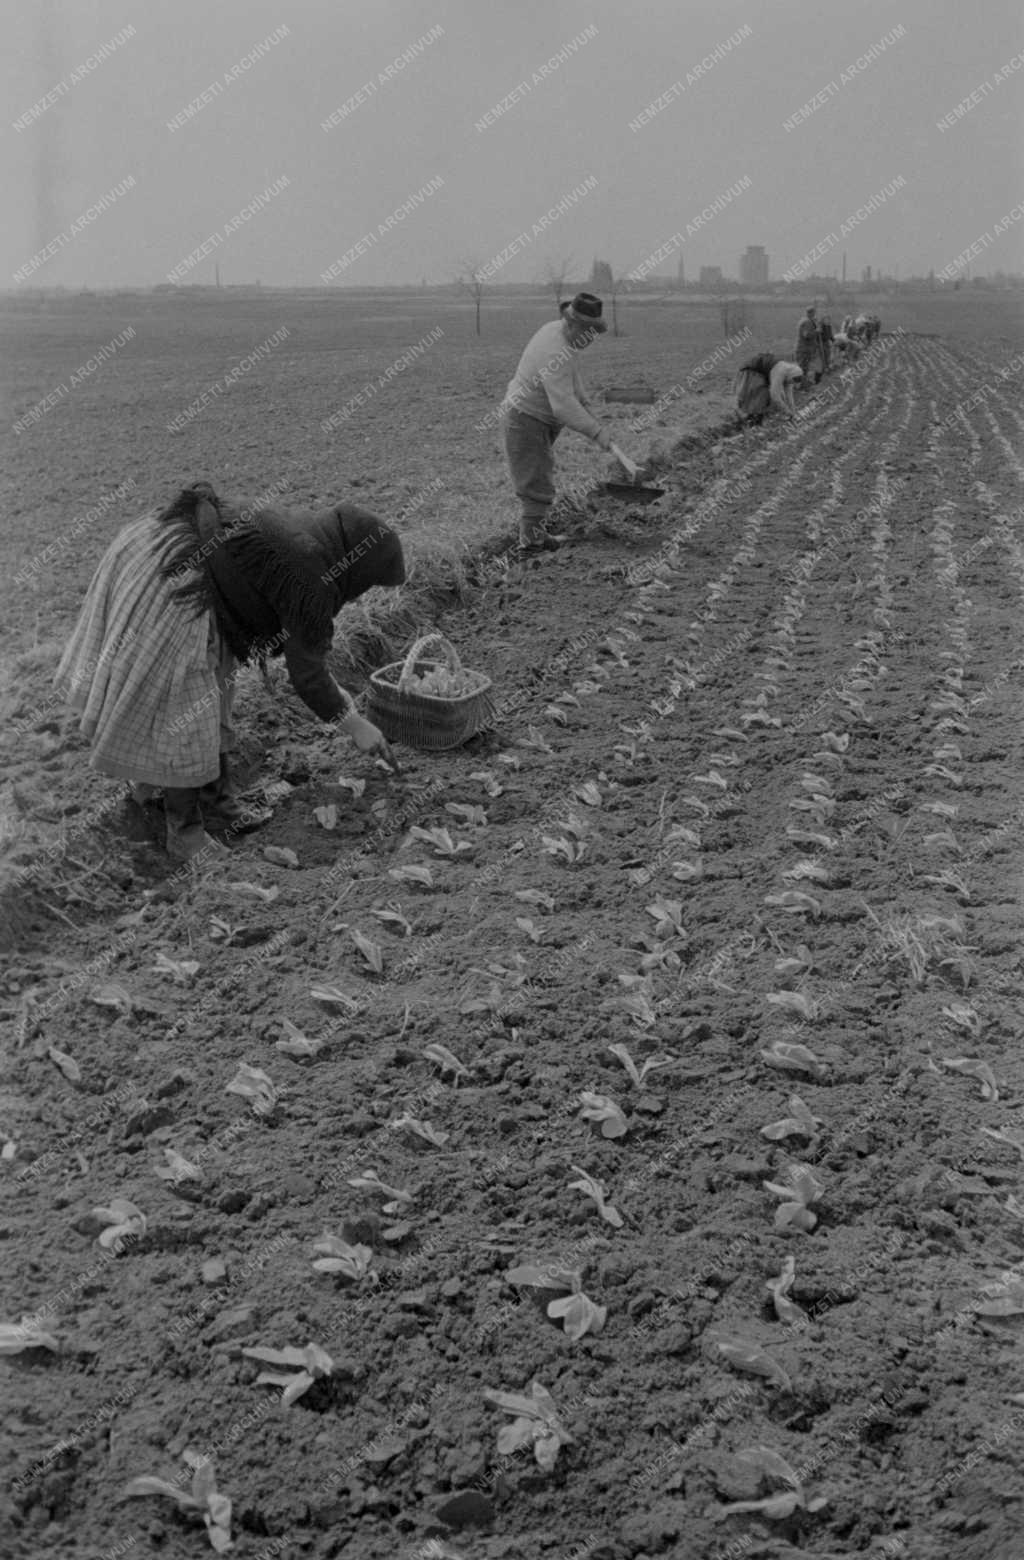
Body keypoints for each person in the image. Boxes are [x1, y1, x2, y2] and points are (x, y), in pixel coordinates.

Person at [55, 482, 405, 863]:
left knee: (214, 696)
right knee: (184, 717)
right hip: (175, 580)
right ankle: (185, 835)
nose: (359, 594)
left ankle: (217, 807)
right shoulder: (311, 579)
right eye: (367, 584)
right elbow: (309, 677)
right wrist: (357, 727)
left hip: (155, 545)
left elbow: (306, 659)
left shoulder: (308, 536)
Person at [501, 291, 614, 554]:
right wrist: (598, 433)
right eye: (588, 331)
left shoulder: (562, 335)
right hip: (525, 418)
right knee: (536, 483)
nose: (591, 338)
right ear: (571, 323)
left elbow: (571, 371)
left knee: (541, 474)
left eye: (595, 332)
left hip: (538, 419)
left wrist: (584, 400)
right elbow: (562, 405)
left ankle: (537, 537)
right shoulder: (554, 348)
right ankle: (530, 546)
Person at [733, 353, 803, 423]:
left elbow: (789, 396)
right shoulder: (780, 371)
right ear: (791, 377)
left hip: (761, 374)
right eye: (792, 381)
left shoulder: (792, 374)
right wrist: (787, 412)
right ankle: (745, 419)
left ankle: (755, 419)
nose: (791, 383)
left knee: (764, 396)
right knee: (761, 394)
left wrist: (793, 411)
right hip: (751, 371)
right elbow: (775, 396)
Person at [794, 304, 823, 386]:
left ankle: (803, 384)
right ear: (812, 313)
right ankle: (800, 385)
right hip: (803, 349)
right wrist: (817, 331)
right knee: (802, 368)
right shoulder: (807, 322)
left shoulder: (806, 320)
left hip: (804, 349)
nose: (815, 315)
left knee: (804, 368)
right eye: (814, 313)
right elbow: (806, 335)